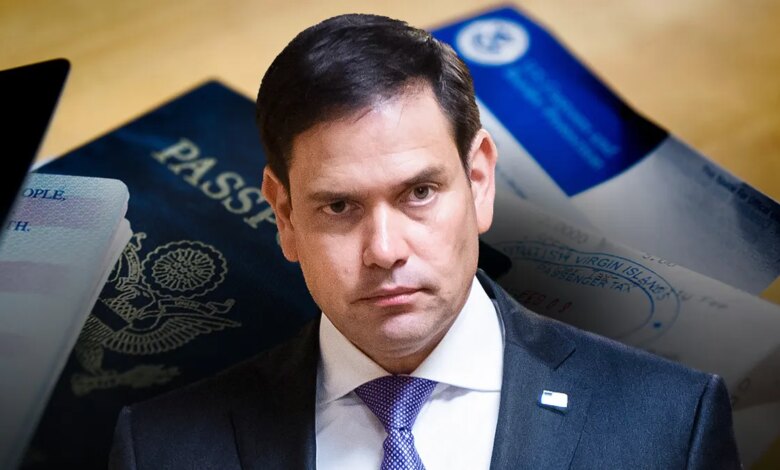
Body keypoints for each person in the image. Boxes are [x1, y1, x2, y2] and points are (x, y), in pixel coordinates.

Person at [109, 13, 741, 469]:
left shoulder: (670, 426)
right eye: (337, 205)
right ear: (284, 215)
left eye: (418, 193)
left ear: (479, 181)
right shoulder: (159, 449)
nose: (384, 250)